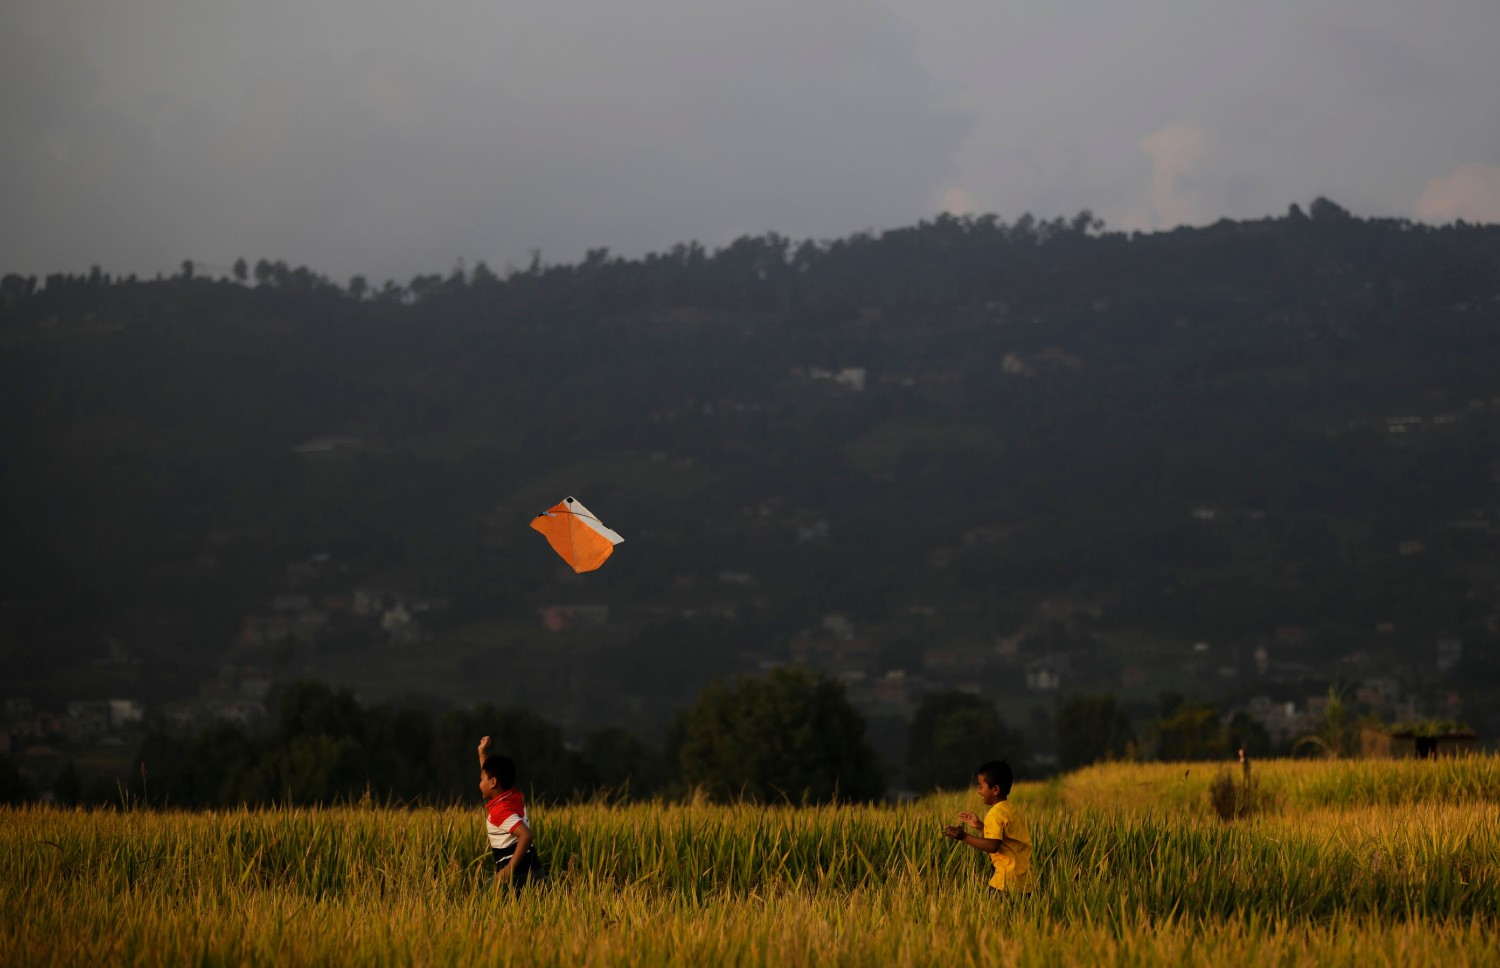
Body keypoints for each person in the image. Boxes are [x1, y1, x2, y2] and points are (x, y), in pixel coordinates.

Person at [943, 759, 1032, 893]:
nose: (979, 791)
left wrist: (963, 836)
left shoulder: (994, 813)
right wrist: (979, 826)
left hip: (1005, 883)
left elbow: (993, 846)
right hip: (1025, 883)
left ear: (995, 789)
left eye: (981, 786)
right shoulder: (1011, 809)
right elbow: (1005, 839)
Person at [477, 735, 541, 891]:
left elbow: (526, 835)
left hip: (518, 876)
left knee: (482, 902)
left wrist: (508, 870)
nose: (479, 784)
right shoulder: (513, 795)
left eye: (481, 779)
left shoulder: (501, 810)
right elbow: (490, 773)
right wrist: (482, 752)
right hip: (535, 871)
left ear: (493, 783)